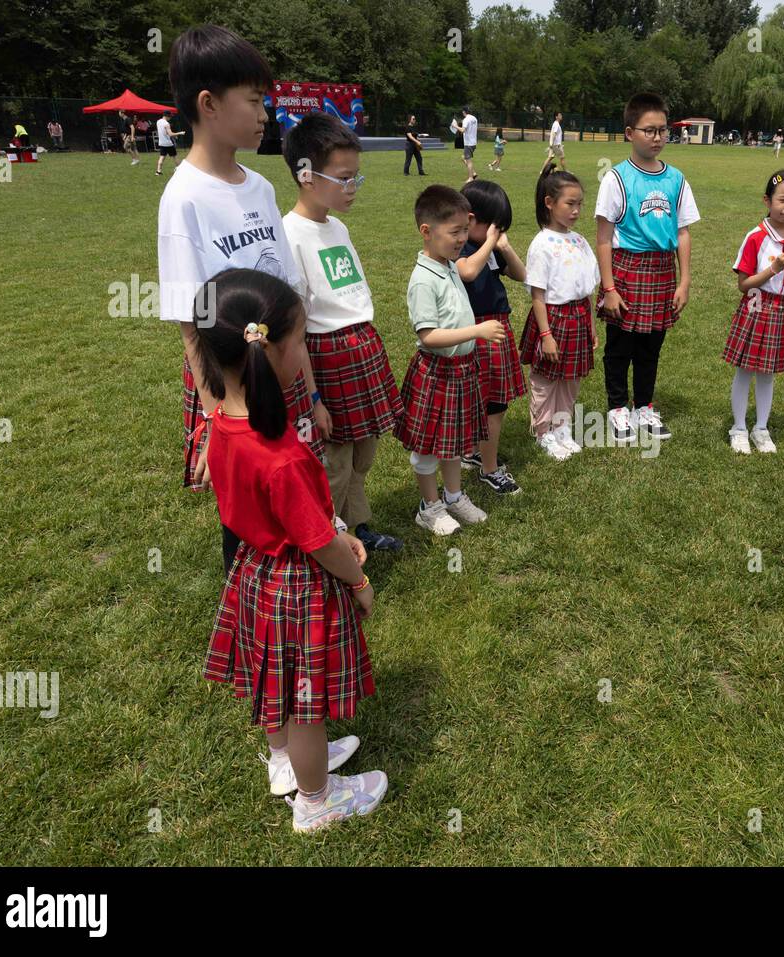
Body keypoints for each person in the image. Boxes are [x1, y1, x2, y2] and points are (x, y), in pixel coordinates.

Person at [192, 268, 387, 833]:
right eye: (301, 340)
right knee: (307, 705)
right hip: (295, 584)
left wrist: (328, 527)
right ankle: (317, 799)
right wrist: (358, 581)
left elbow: (295, 517)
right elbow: (319, 541)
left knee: (274, 682)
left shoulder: (220, 427)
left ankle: (285, 762)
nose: (305, 352)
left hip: (254, 574)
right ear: (270, 350)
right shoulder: (282, 452)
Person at [159, 23, 322, 571]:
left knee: (292, 477)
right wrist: (217, 424)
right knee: (247, 505)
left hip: (281, 361)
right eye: (254, 101)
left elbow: (288, 291)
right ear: (208, 104)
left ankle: (309, 573)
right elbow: (191, 323)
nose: (264, 114)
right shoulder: (183, 198)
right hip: (229, 381)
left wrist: (312, 386)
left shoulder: (260, 186)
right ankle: (253, 605)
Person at [282, 111, 407, 554]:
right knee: (334, 459)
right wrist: (313, 398)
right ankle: (328, 547)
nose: (352, 186)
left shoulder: (337, 225)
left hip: (362, 349)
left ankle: (359, 526)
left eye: (357, 177)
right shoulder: (289, 235)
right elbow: (295, 330)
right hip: (327, 357)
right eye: (344, 177)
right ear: (305, 175)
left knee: (363, 454)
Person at [395, 185, 505, 535]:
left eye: (463, 230)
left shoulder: (449, 266)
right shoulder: (423, 280)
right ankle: (429, 507)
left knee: (454, 441)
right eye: (454, 232)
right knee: (428, 446)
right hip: (437, 372)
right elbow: (428, 335)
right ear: (426, 231)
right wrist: (475, 332)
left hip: (460, 371)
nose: (461, 239)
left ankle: (454, 496)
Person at [594, 91, 699, 444]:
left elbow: (682, 232)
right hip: (627, 270)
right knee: (620, 345)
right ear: (629, 133)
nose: (657, 137)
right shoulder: (616, 179)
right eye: (649, 130)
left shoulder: (676, 179)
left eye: (662, 131)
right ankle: (617, 408)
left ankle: (644, 406)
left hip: (662, 271)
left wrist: (683, 282)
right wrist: (609, 288)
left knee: (651, 346)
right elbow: (604, 238)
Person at [723, 170, 784, 454]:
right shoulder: (756, 238)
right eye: (782, 200)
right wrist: (772, 270)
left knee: (769, 374)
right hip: (758, 307)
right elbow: (744, 284)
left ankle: (761, 428)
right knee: (746, 371)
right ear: (767, 200)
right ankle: (738, 428)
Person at [522, 163, 600, 460]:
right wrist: (545, 335)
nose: (576, 210)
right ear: (549, 203)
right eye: (570, 203)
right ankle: (543, 431)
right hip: (553, 319)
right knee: (546, 378)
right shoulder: (542, 244)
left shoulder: (579, 240)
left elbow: (587, 290)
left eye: (580, 204)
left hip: (578, 317)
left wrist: (591, 326)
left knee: (571, 377)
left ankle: (562, 427)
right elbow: (538, 295)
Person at [457, 179, 527, 491]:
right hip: (475, 330)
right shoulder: (458, 246)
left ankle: (476, 452)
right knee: (489, 403)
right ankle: (489, 467)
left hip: (496, 327)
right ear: (470, 219)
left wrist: (505, 246)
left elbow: (523, 275)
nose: (496, 234)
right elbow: (468, 271)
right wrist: (488, 244)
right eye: (493, 226)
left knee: (493, 401)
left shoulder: (489, 246)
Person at [451, 105, 478, 181]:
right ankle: (474, 173)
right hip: (474, 143)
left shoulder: (466, 119)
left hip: (468, 143)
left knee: (468, 161)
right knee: (463, 158)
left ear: (464, 111)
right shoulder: (474, 118)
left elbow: (463, 130)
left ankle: (470, 178)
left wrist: (455, 126)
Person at [155, 110, 183, 175]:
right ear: (167, 116)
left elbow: (164, 132)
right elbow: (170, 134)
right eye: (170, 116)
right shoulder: (166, 124)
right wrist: (180, 133)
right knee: (175, 156)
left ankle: (158, 171)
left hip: (161, 143)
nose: (170, 118)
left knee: (162, 157)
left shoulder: (158, 121)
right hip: (168, 143)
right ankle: (178, 168)